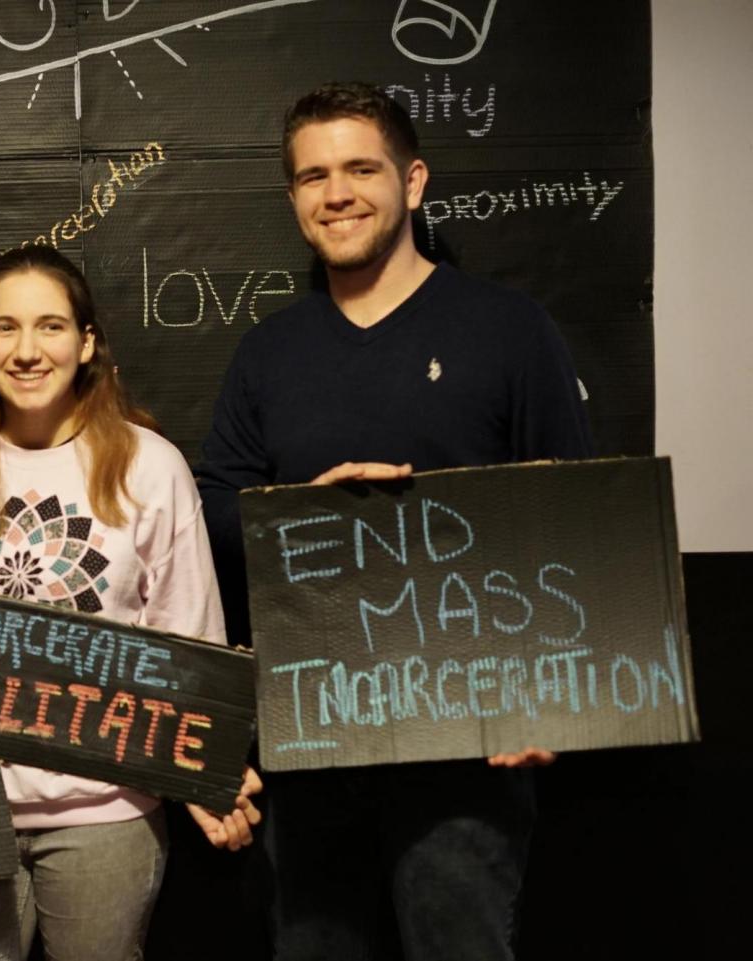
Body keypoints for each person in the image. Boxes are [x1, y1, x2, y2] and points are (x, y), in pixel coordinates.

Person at [196, 83, 594, 961]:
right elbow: (216, 510)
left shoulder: (509, 328)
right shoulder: (269, 351)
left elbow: (570, 510)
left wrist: (551, 702)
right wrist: (310, 513)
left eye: (360, 168)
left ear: (413, 182)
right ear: (294, 196)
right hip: (316, 734)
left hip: (469, 740)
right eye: (312, 176)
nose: (335, 193)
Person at [0, 244, 262, 961]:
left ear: (86, 344)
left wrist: (207, 768)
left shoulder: (151, 466)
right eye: (4, 327)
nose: (27, 350)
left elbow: (191, 643)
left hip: (104, 814)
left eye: (50, 326)